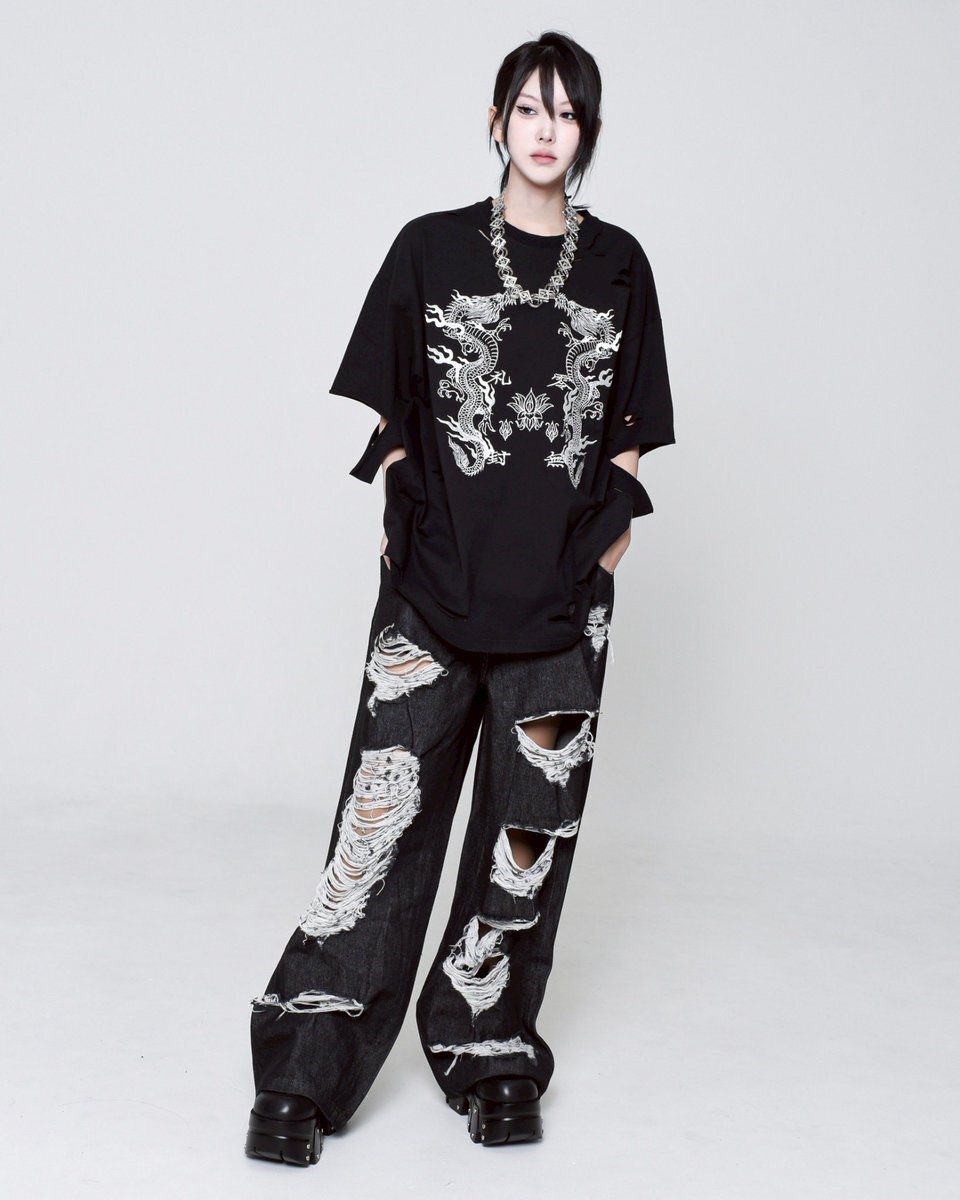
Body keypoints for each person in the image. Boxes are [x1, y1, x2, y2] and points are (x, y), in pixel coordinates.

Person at [245, 29, 675, 1164]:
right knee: (379, 832)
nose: (546, 130)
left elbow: (632, 440)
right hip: (433, 594)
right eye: (529, 108)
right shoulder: (429, 249)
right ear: (497, 121)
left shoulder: (620, 265)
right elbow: (390, 417)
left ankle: (488, 1046)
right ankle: (307, 1061)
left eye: (567, 113)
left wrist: (598, 561)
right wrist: (407, 527)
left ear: (587, 133)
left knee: (525, 835)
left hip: (561, 603)